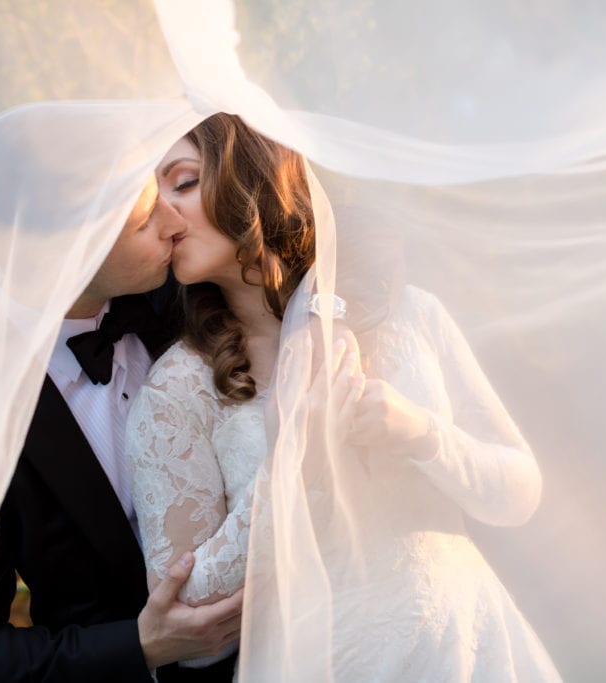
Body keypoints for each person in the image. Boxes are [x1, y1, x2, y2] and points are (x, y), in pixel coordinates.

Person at [127, 113, 560, 680]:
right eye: (150, 193)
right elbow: (189, 629)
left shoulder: (409, 312)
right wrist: (293, 467)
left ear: (251, 177)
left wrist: (419, 433)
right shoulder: (177, 387)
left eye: (181, 182)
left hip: (468, 651)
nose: (162, 211)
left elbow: (519, 494)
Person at [0, 176, 243, 683]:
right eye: (144, 221)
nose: (175, 223)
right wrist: (140, 647)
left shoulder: (190, 297)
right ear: (64, 252)